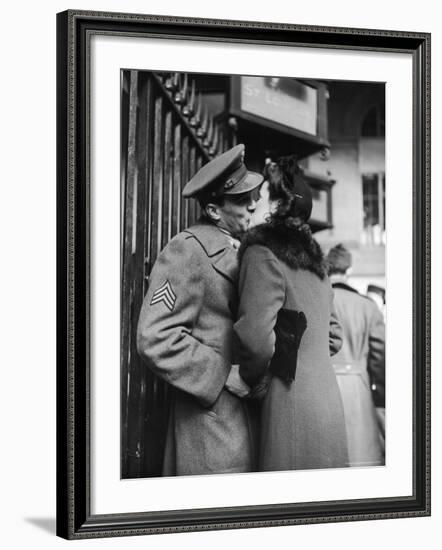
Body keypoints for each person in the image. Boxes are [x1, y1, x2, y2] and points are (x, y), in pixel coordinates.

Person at [136, 144, 263, 476]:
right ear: (213, 211)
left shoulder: (244, 250)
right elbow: (156, 336)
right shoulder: (187, 250)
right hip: (211, 423)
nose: (253, 204)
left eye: (253, 195)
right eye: (240, 199)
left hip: (244, 414)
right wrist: (223, 374)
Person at [233, 158, 349, 472]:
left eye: (261, 196)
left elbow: (256, 339)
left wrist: (250, 379)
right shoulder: (317, 264)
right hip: (327, 403)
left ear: (277, 207)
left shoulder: (261, 253)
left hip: (288, 406)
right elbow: (334, 336)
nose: (253, 204)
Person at [326, 244, 385, 467]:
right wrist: (379, 396)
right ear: (348, 270)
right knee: (361, 458)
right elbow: (379, 357)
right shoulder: (368, 307)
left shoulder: (318, 300)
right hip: (358, 388)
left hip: (323, 386)